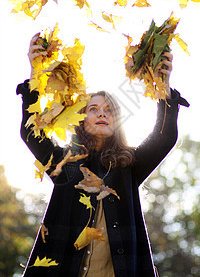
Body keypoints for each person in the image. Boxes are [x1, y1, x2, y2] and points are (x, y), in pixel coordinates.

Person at [17, 34, 189, 277]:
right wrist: (36, 76)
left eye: (109, 110)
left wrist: (162, 83)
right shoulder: (65, 162)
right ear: (81, 119)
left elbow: (164, 137)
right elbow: (31, 133)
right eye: (93, 109)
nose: (102, 113)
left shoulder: (129, 165)